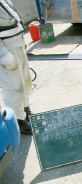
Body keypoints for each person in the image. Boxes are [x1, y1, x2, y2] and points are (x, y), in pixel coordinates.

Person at [0, 0, 33, 135]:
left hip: (16, 43)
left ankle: (25, 109)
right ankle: (18, 120)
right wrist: (3, 54)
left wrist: (22, 40)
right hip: (7, 48)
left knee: (25, 81)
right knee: (14, 86)